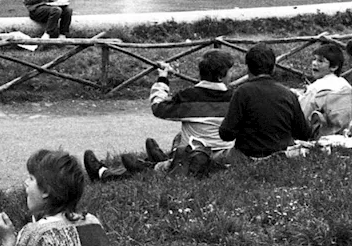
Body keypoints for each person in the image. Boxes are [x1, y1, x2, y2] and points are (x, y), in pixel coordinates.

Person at [84, 50, 237, 182]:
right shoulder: (235, 98)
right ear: (219, 77)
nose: (232, 75)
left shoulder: (189, 96)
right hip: (223, 157)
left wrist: (162, 78)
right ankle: (161, 160)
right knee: (179, 137)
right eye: (230, 71)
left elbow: (158, 107)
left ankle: (105, 174)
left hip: (193, 159)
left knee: (157, 165)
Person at [217, 43, 313, 161]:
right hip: (282, 155)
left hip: (248, 155)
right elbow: (303, 133)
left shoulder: (242, 92)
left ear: (248, 68)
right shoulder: (288, 94)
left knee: (214, 158)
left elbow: (226, 134)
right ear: (273, 67)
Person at [297, 44, 352, 137]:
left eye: (320, 61)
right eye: (314, 59)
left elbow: (302, 114)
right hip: (346, 130)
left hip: (324, 132)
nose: (314, 63)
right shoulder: (345, 84)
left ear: (334, 67)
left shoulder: (316, 88)